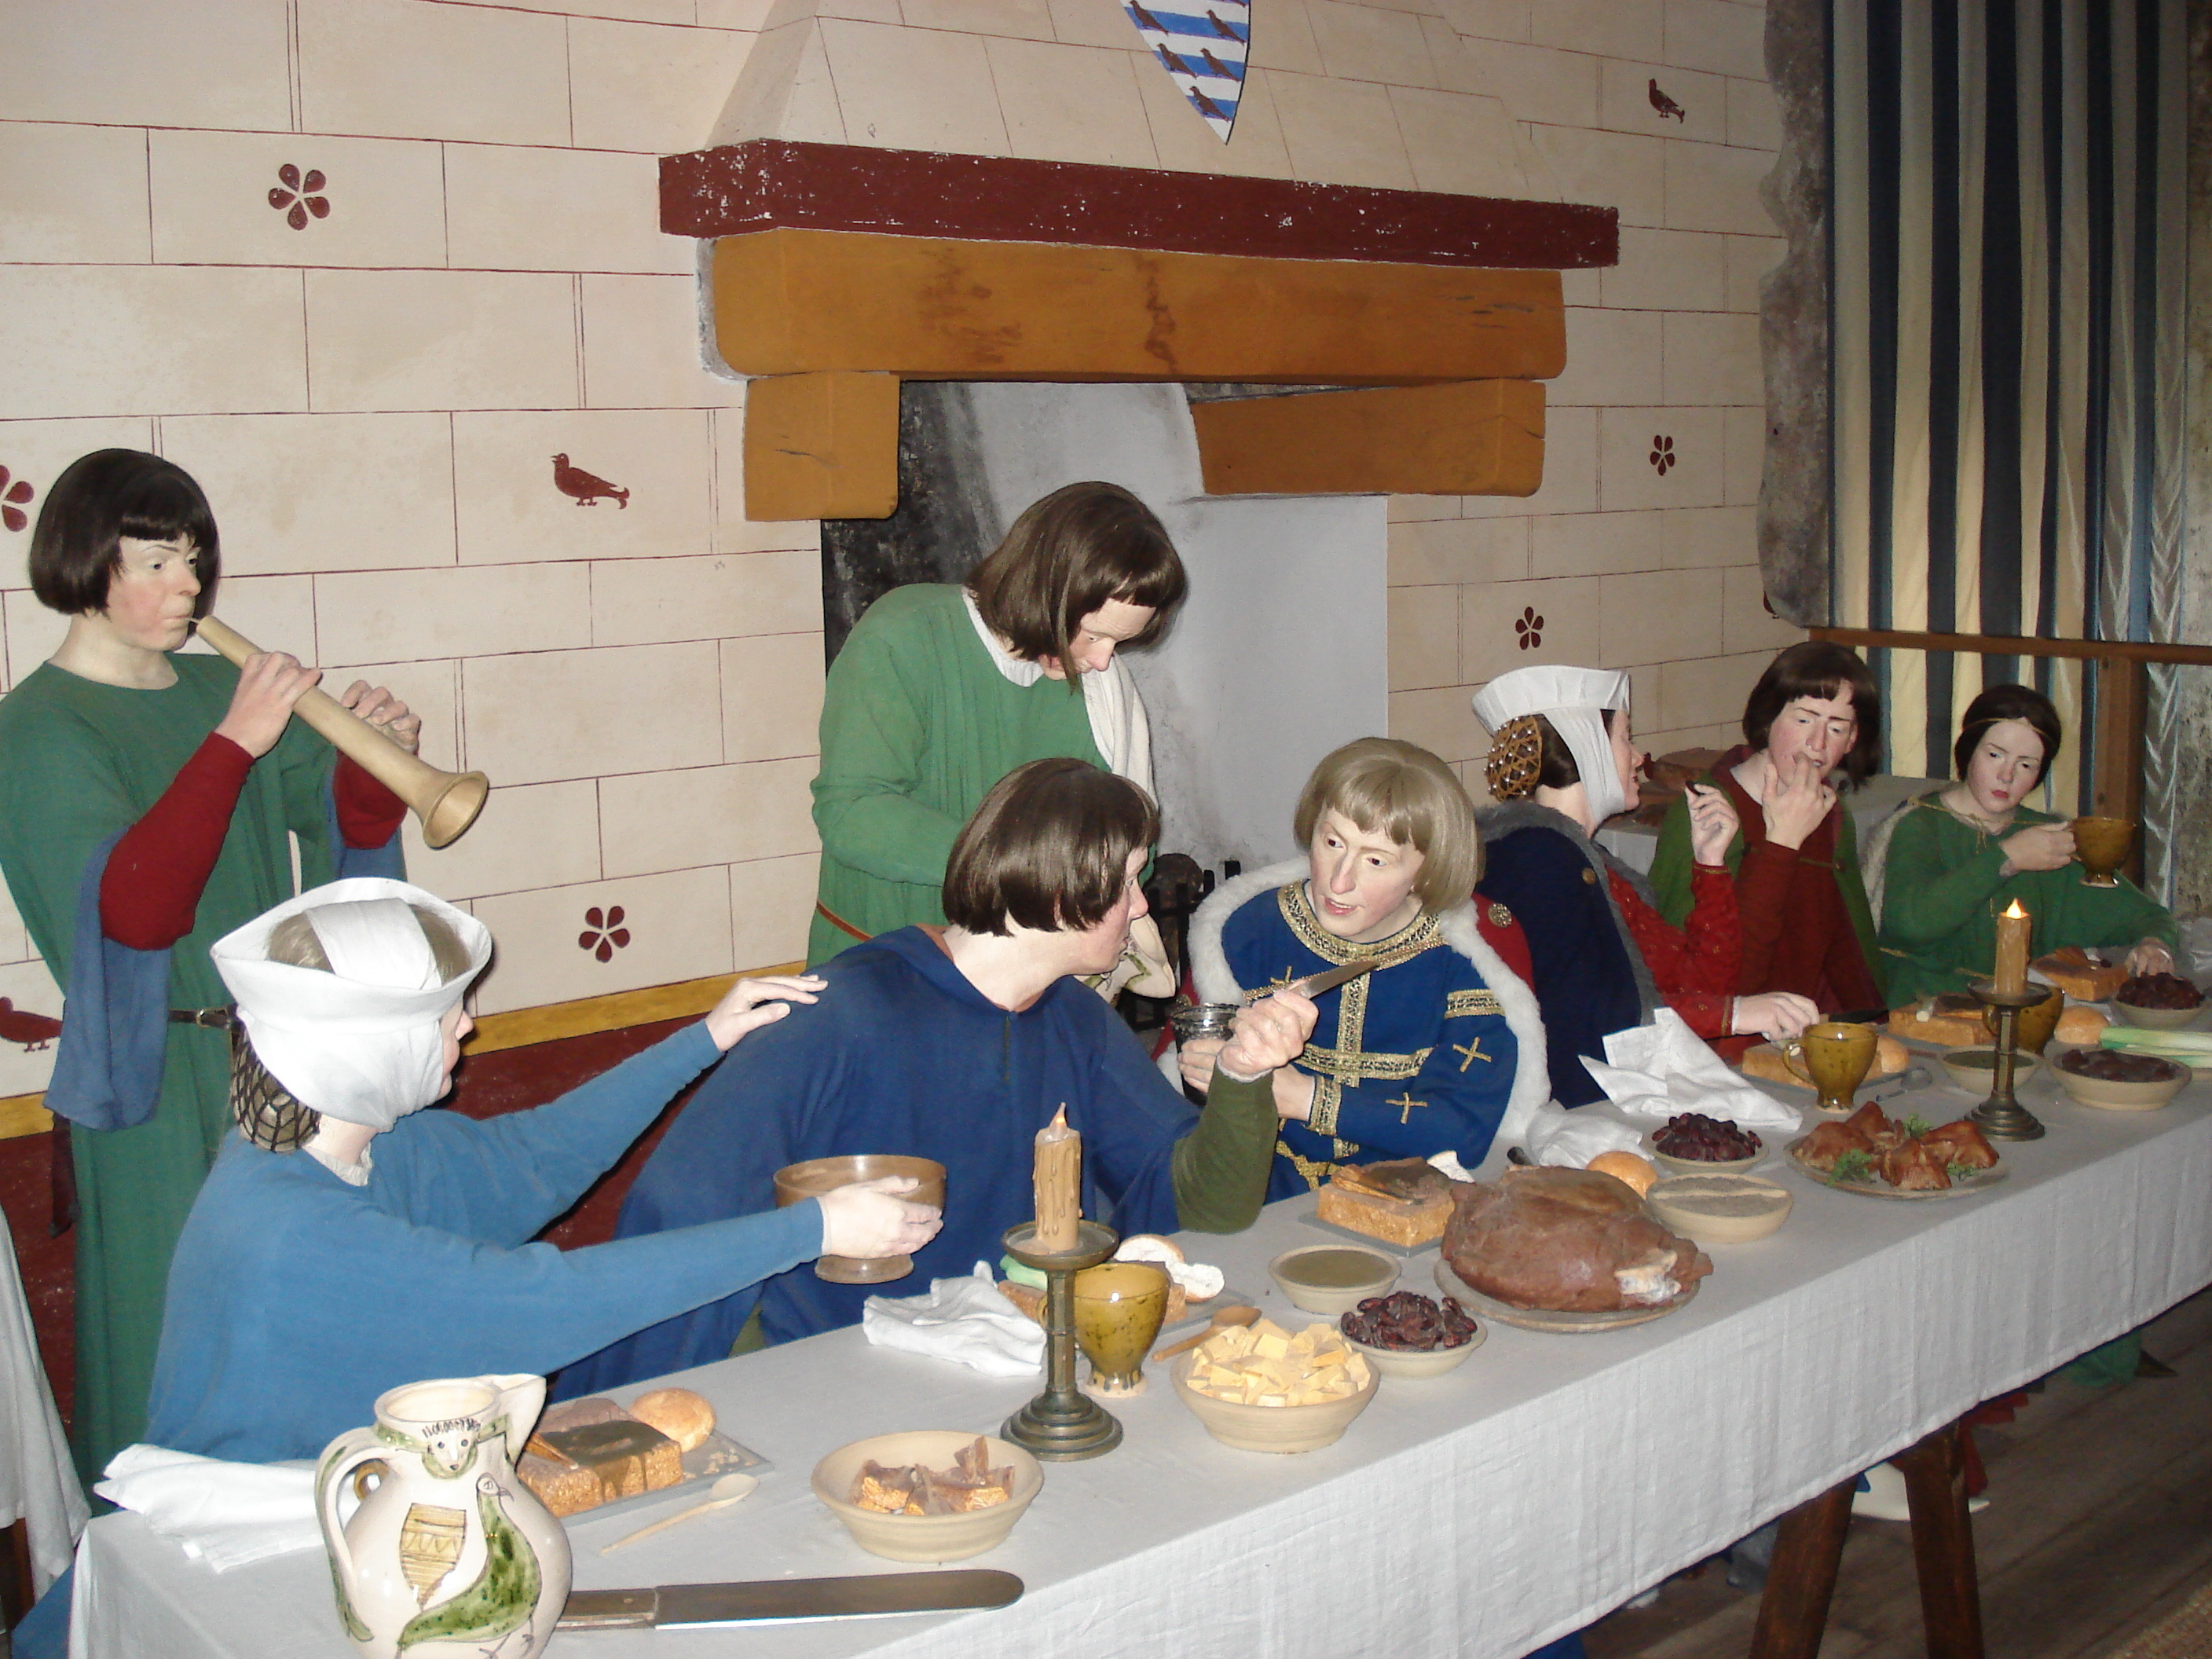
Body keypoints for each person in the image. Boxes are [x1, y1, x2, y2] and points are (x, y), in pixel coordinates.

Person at [562, 758, 1315, 1392]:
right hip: (848, 1381)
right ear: (1063, 896)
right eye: (1122, 883)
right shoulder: (843, 1012)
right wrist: (625, 1410)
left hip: (1030, 1367)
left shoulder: (1075, 1020)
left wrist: (1246, 1081)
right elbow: (684, 1204)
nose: (1140, 904)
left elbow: (1194, 1202)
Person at [140, 879, 938, 1464]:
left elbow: (532, 1158)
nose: (469, 1023)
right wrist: (814, 1227)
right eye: (442, 1013)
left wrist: (704, 1039)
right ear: (366, 1047)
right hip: (245, 1537)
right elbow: (547, 1302)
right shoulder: (294, 1235)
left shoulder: (356, 1150)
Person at [0, 449, 421, 1483]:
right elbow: (134, 909)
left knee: (302, 1310)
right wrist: (235, 740)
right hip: (155, 1079)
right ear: (83, 563)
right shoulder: (35, 729)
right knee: (169, 1326)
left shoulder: (212, 685)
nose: (188, 588)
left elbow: (334, 837)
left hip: (276, 1052)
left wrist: (375, 763)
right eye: (154, 562)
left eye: (194, 560)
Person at [808, 480, 1188, 971]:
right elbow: (852, 812)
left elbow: (1134, 843)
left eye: (1119, 643)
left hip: (1026, 976)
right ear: (1040, 592)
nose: (1100, 661)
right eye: (1093, 635)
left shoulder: (1103, 687)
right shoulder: (905, 635)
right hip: (885, 968)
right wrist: (1029, 868)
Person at [1177, 738, 1545, 1195]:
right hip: (1259, 1192)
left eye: (1375, 860)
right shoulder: (1245, 929)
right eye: (1332, 842)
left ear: (1428, 872)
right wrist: (1209, 1072)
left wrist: (1304, 1098)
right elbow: (1180, 1107)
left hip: (1411, 1197)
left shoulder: (1466, 961)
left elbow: (1464, 1130)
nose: (1339, 879)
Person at [1473, 667, 1818, 1107]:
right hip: (1579, 1110)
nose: (1638, 756)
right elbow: (1593, 1015)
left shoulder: (1585, 859)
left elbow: (1700, 980)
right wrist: (1737, 1014)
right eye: (1625, 738)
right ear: (1587, 747)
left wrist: (1710, 864)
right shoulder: (1538, 859)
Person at [1874, 683, 2177, 1005]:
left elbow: (2143, 914)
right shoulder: (1920, 824)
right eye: (1994, 755)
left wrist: (2154, 944)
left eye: (2026, 764)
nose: (2007, 775)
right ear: (1968, 751)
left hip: (2021, 1013)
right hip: (1919, 1010)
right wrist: (2007, 858)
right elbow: (1910, 924)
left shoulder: (2046, 836)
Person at [1646, 641, 1888, 1016]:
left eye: (1837, 728)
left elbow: (1846, 944)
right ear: (1769, 717)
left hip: (1814, 1026)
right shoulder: (1706, 811)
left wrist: (1870, 1020)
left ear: (1853, 740)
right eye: (1804, 719)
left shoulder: (1830, 810)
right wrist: (1781, 845)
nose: (1817, 743)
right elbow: (1696, 978)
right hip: (1735, 1037)